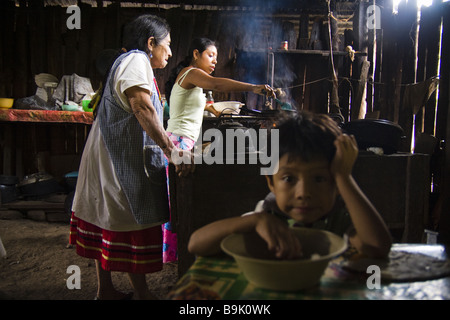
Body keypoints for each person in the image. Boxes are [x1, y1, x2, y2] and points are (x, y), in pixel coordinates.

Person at [69, 14, 194, 300]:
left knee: (107, 219)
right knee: (127, 222)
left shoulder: (126, 62)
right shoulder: (136, 60)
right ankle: (143, 294)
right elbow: (142, 107)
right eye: (168, 45)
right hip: (118, 159)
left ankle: (106, 290)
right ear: (151, 43)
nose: (171, 52)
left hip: (108, 153)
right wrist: (171, 151)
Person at [188, 111, 392, 259]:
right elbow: (196, 245)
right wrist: (255, 221)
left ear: (336, 184)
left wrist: (344, 176)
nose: (304, 193)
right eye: (289, 178)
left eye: (319, 179)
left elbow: (378, 246)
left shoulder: (337, 220)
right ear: (271, 182)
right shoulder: (267, 216)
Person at [161, 37, 276, 263]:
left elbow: (200, 104)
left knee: (179, 196)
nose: (215, 60)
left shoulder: (190, 80)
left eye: (216, 56)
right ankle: (180, 253)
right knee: (180, 196)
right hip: (180, 141)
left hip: (183, 140)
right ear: (196, 54)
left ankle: (176, 252)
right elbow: (217, 84)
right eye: (210, 55)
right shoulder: (191, 73)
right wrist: (254, 88)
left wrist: (218, 111)